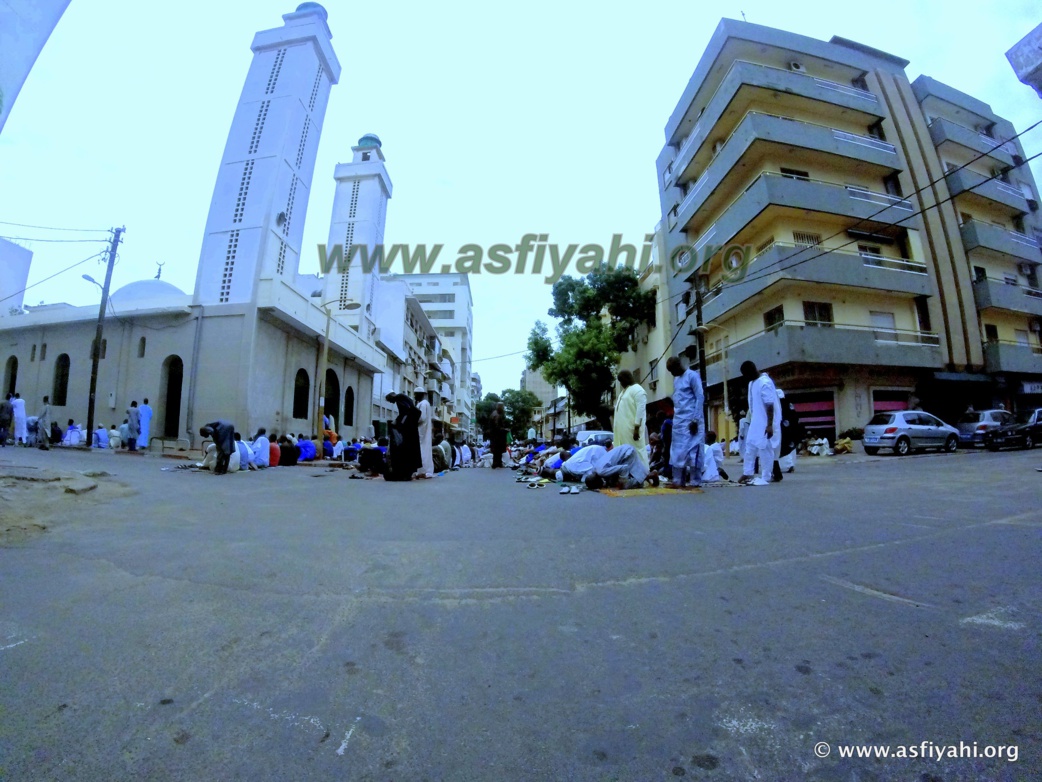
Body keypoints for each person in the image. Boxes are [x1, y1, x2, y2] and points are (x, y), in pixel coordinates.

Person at [665, 356, 704, 490]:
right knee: (677, 451)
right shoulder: (676, 380)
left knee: (693, 450)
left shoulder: (692, 376)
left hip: (692, 420)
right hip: (679, 421)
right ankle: (677, 480)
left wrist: (695, 420)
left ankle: (695, 481)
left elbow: (700, 397)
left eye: (672, 370)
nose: (672, 374)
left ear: (678, 366)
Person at [738, 361, 779, 486]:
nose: (746, 377)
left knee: (764, 448)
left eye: (746, 374)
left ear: (751, 371)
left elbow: (769, 405)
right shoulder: (752, 383)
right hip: (755, 420)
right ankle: (748, 472)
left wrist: (769, 425)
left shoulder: (765, 382)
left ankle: (766, 476)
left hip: (766, 421)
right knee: (750, 445)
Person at [613, 370, 649, 470]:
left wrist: (636, 429)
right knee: (625, 453)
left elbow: (640, 411)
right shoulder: (624, 391)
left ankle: (644, 473)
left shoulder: (638, 390)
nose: (621, 384)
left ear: (627, 379)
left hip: (632, 431)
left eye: (621, 381)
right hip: (623, 432)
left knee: (637, 452)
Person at [584, 443, 658, 491]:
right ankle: (646, 476)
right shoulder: (596, 469)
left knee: (626, 486)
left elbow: (624, 468)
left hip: (627, 454)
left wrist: (622, 483)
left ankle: (652, 475)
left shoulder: (602, 471)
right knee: (622, 479)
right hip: (625, 451)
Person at [384, 392, 421, 481]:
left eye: (389, 400)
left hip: (408, 428)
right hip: (411, 427)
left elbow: (406, 412)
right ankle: (407, 473)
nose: (391, 402)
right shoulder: (403, 398)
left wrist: (399, 423)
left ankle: (403, 472)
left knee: (404, 450)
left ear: (391, 396)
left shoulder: (399, 398)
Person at [777, 390, 802, 475]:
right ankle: (790, 465)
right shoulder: (789, 405)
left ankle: (787, 466)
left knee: (783, 448)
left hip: (783, 432)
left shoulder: (779, 405)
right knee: (790, 449)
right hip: (790, 432)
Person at [414, 387, 434, 479]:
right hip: (425, 430)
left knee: (421, 450)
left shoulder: (422, 404)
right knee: (425, 450)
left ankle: (422, 471)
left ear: (420, 394)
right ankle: (425, 471)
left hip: (421, 430)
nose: (414, 396)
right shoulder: (426, 403)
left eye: (415, 394)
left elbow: (421, 417)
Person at [489, 402, 507, 469]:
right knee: (497, 450)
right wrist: (504, 429)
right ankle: (496, 463)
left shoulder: (495, 413)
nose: (503, 408)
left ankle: (498, 463)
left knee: (497, 451)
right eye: (502, 407)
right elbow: (497, 427)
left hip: (494, 436)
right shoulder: (496, 415)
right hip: (497, 436)